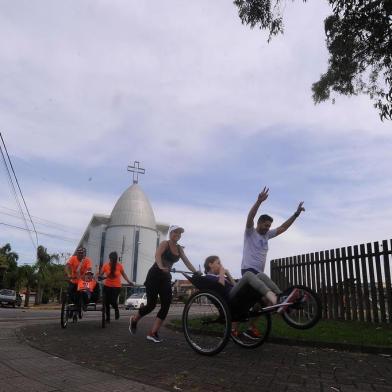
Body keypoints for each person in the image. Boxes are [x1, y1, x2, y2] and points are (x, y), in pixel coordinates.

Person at [240, 186, 305, 337]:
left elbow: (283, 227)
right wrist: (258, 201)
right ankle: (283, 301)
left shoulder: (267, 235)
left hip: (260, 273)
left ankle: (250, 328)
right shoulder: (250, 233)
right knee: (267, 296)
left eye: (269, 226)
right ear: (259, 223)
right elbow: (250, 217)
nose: (267, 228)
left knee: (264, 303)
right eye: (265, 225)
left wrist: (296, 214)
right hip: (248, 271)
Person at [129, 225, 198, 343]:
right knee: (151, 305)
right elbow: (157, 255)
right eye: (175, 232)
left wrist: (196, 272)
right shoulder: (164, 244)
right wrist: (161, 266)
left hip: (165, 277)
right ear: (171, 233)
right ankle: (134, 320)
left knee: (166, 303)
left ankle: (153, 332)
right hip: (154, 275)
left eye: (180, 233)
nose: (178, 234)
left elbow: (187, 262)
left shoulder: (180, 249)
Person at [204, 255, 283, 338]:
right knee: (248, 274)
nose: (221, 265)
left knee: (261, 275)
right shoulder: (208, 278)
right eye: (218, 263)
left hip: (234, 295)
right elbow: (221, 288)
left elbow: (234, 286)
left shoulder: (219, 277)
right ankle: (273, 298)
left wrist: (228, 274)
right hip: (228, 299)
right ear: (210, 264)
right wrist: (221, 273)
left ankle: (281, 296)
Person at [100, 251, 133, 323]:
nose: (112, 261)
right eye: (111, 259)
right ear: (109, 258)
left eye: (113, 259)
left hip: (116, 287)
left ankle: (116, 309)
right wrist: (101, 277)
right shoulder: (105, 265)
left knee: (113, 300)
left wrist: (128, 281)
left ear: (116, 259)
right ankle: (108, 318)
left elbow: (124, 274)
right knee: (107, 303)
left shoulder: (119, 266)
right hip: (107, 286)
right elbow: (101, 275)